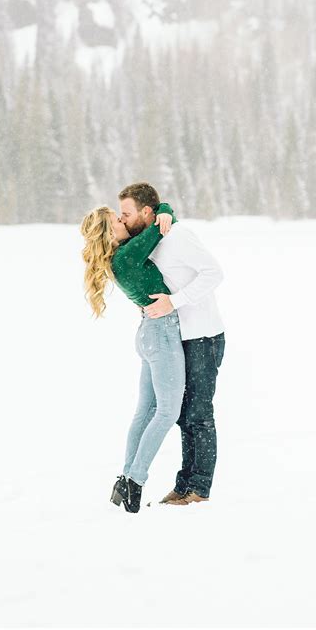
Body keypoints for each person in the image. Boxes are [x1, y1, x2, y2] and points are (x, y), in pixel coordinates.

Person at [119, 182, 225, 505]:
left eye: (126, 214)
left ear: (146, 212)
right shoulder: (150, 240)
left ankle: (199, 489)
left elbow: (214, 272)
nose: (122, 220)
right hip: (181, 337)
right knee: (182, 414)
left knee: (199, 414)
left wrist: (174, 302)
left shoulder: (177, 237)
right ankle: (185, 485)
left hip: (204, 335)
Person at [80, 201, 184, 513]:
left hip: (149, 333)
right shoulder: (127, 254)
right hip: (161, 333)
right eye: (118, 219)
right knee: (166, 412)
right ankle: (135, 481)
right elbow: (162, 224)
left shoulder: (118, 258)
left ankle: (125, 477)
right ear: (110, 232)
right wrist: (164, 207)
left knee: (146, 411)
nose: (124, 220)